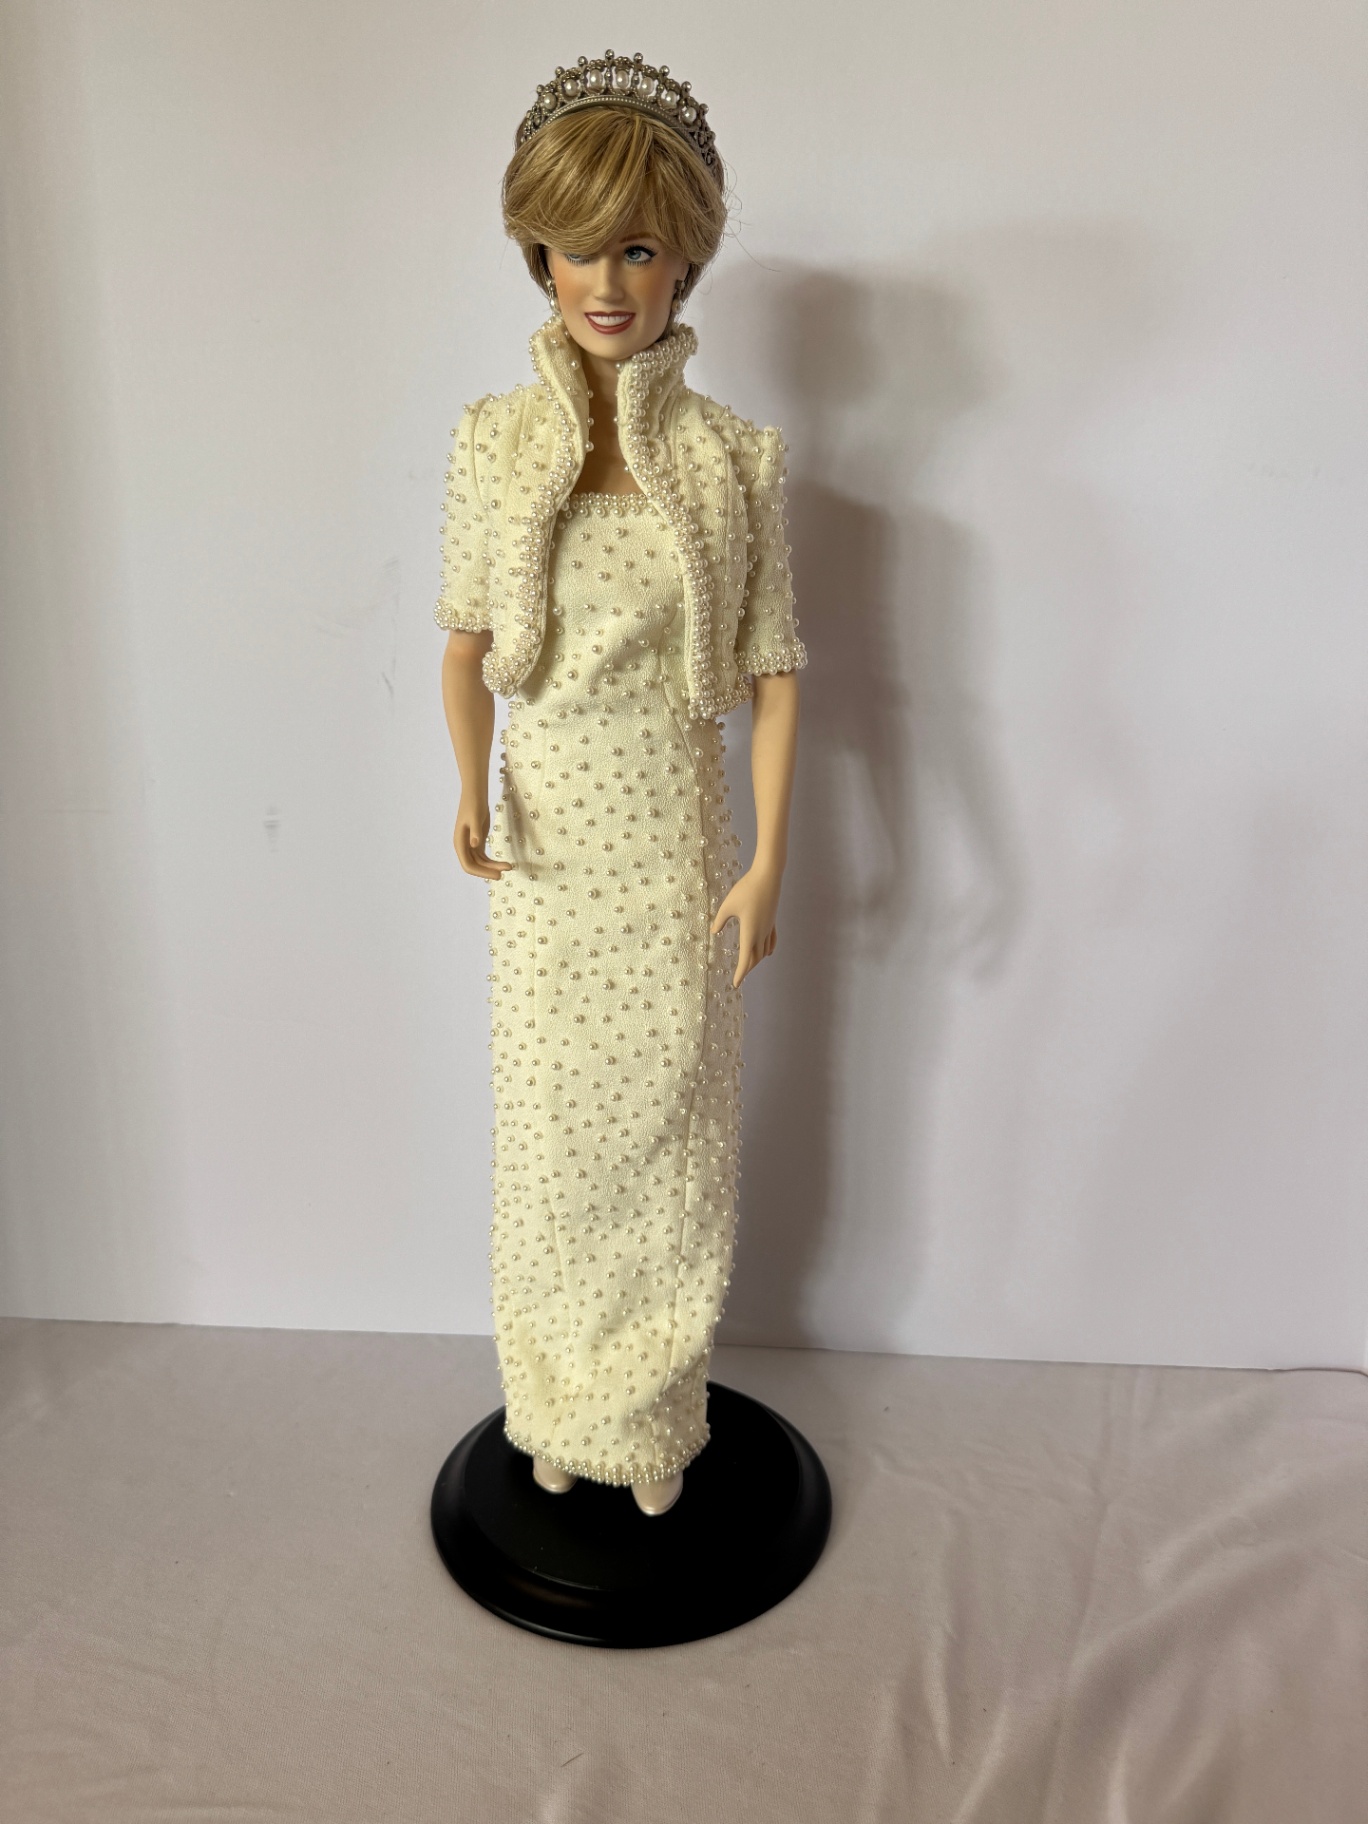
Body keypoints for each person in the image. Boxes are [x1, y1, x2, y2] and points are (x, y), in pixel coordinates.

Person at [437, 51, 807, 1517]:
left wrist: (767, 858)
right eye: (579, 247)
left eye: (641, 248)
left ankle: (649, 1421)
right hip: (542, 853)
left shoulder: (730, 460)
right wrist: (468, 787)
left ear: (685, 260)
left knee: (668, 1143)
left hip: (671, 852)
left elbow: (775, 672)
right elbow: (466, 646)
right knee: (552, 1149)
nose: (608, 281)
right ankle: (550, 1407)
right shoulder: (494, 440)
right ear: (539, 254)